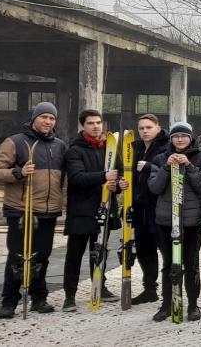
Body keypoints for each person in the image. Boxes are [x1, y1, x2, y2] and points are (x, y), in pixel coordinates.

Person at [0, 102, 67, 318]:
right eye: (43, 117)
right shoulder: (15, 142)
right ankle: (9, 301)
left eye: (52, 118)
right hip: (22, 209)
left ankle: (39, 299)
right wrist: (18, 172)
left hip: (48, 211)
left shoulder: (59, 146)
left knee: (42, 257)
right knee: (17, 256)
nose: (48, 122)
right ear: (34, 118)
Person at [61, 109, 126, 312]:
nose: (96, 126)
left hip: (104, 208)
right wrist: (104, 176)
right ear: (83, 126)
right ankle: (69, 295)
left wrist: (118, 185)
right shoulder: (74, 150)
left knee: (99, 251)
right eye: (90, 123)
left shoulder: (111, 148)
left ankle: (100, 286)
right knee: (75, 254)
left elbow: (118, 174)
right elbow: (77, 178)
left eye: (98, 122)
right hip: (81, 210)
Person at [147, 121, 201, 322]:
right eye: (176, 136)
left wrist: (189, 165)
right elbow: (154, 188)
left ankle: (193, 304)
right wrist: (167, 168)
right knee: (169, 264)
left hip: (191, 222)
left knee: (191, 264)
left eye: (184, 135)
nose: (180, 139)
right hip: (166, 221)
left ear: (191, 138)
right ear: (171, 139)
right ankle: (167, 304)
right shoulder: (160, 158)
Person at [130, 114, 169, 305]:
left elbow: (166, 172)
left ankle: (170, 292)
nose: (145, 131)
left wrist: (148, 167)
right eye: (141, 128)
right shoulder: (135, 147)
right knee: (145, 251)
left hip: (159, 208)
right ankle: (149, 288)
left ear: (158, 127)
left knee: (165, 250)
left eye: (148, 127)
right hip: (140, 208)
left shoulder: (166, 146)